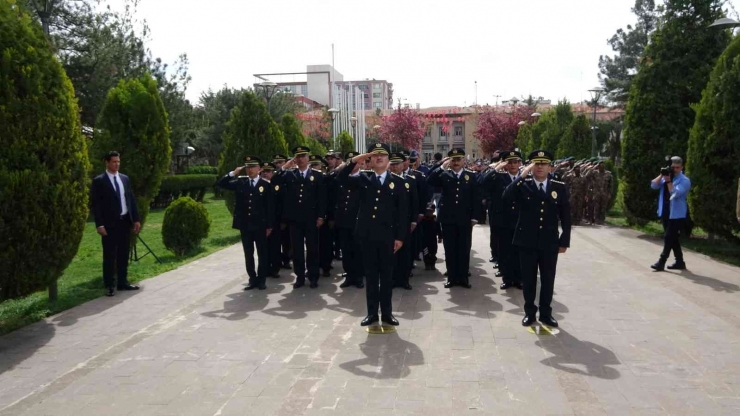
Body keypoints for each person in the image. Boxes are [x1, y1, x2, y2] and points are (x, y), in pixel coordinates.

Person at [338, 143, 408, 327]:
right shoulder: (363, 179)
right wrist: (354, 160)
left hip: (388, 238)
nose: (379, 158)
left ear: (388, 160)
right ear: (370, 159)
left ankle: (387, 313)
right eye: (375, 155)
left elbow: (403, 213)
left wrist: (400, 237)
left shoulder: (398, 182)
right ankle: (371, 314)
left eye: (382, 155)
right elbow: (339, 178)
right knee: (370, 276)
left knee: (386, 277)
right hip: (367, 236)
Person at [503, 150, 571, 327]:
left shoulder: (558, 186)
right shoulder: (523, 184)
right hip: (526, 240)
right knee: (528, 278)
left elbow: (566, 216)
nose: (540, 167)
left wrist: (564, 241)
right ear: (531, 166)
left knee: (548, 278)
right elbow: (506, 196)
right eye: (536, 164)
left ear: (550, 167)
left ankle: (546, 313)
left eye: (543, 164)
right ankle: (529, 313)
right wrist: (521, 175)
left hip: (549, 242)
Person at [427, 148, 482, 289]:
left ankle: (463, 277)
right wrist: (441, 167)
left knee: (464, 248)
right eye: (453, 159)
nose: (456, 162)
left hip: (465, 218)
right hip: (448, 218)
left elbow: (476, 197)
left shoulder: (471, 176)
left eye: (459, 159)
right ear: (449, 161)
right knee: (450, 248)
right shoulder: (444, 175)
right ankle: (451, 277)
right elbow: (430, 180)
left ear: (464, 160)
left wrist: (475, 217)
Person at [217, 156, 274, 290]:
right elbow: (222, 183)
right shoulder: (241, 182)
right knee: (248, 254)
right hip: (246, 225)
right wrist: (233, 173)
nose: (250, 169)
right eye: (248, 167)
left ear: (259, 169)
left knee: (262, 253)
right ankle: (252, 279)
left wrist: (269, 226)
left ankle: (261, 280)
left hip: (261, 226)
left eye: (253, 167)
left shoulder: (265, 185)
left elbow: (270, 208)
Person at [91, 151, 141, 297]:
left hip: (124, 222)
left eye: (118, 162)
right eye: (114, 162)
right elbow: (96, 205)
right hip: (109, 225)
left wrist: (136, 219)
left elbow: (130, 199)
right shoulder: (99, 181)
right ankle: (109, 285)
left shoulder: (124, 179)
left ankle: (122, 282)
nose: (117, 164)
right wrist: (99, 224)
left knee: (123, 253)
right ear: (107, 162)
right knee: (110, 255)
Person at [276, 147, 327, 289]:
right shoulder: (290, 174)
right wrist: (286, 166)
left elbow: (322, 198)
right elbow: (275, 179)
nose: (300, 159)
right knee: (297, 250)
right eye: (297, 157)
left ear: (308, 158)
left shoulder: (317, 175)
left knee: (312, 249)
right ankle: (299, 277)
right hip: (295, 219)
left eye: (303, 156)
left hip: (311, 218)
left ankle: (313, 276)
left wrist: (321, 216)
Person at [482, 150, 523, 290]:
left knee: (519, 252)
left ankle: (518, 279)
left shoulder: (526, 178)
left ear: (520, 163)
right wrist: (496, 168)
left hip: (520, 220)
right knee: (505, 251)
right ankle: (507, 278)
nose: (513, 165)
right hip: (503, 220)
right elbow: (482, 182)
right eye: (510, 162)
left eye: (516, 162)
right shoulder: (499, 177)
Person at [650, 156, 691, 271]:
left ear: (682, 167)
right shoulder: (667, 176)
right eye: (673, 167)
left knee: (668, 237)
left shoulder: (684, 180)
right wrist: (662, 174)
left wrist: (668, 180)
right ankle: (680, 262)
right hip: (665, 211)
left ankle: (661, 262)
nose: (675, 169)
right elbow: (653, 185)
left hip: (677, 214)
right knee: (674, 239)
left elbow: (675, 193)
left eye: (678, 167)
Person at [335, 151, 365, 289]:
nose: (353, 166)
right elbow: (340, 177)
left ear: (361, 164)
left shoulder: (365, 177)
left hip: (358, 222)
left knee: (358, 250)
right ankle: (349, 276)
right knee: (345, 250)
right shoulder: (342, 177)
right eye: (351, 163)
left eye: (356, 162)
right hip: (343, 220)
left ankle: (358, 277)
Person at [390, 152, 418, 290]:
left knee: (405, 252)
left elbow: (414, 202)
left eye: (397, 164)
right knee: (391, 252)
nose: (395, 167)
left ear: (403, 165)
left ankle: (404, 279)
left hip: (405, 222)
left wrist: (414, 221)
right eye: (393, 164)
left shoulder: (410, 180)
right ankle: (393, 279)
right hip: (389, 222)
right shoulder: (387, 180)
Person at [312, 154, 335, 277]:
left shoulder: (327, 179)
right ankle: (313, 267)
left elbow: (331, 200)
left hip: (325, 217)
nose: (315, 167)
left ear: (323, 168)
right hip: (311, 217)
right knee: (312, 245)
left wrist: (331, 217)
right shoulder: (308, 179)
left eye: (317, 165)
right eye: (313, 165)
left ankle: (326, 266)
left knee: (326, 243)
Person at [260, 162, 283, 278]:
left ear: (272, 173)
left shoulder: (276, 184)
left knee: (275, 246)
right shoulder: (259, 185)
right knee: (263, 247)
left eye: (268, 171)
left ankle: (275, 269)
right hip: (261, 221)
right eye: (263, 171)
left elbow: (281, 203)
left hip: (275, 220)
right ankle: (265, 268)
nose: (265, 174)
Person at [272, 154, 292, 270]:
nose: (278, 165)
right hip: (276, 214)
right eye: (276, 163)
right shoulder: (276, 176)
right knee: (276, 241)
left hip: (288, 214)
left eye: (281, 162)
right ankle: (277, 260)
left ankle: (286, 259)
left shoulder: (291, 175)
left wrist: (285, 218)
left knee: (287, 240)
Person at [420, 202, 442, 270]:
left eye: (431, 211)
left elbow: (438, 228)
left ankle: (432, 263)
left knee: (433, 251)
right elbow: (420, 229)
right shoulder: (423, 220)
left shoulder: (435, 220)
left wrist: (440, 236)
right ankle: (427, 264)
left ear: (433, 211)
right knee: (425, 252)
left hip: (433, 239)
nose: (429, 213)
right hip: (425, 239)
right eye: (428, 211)